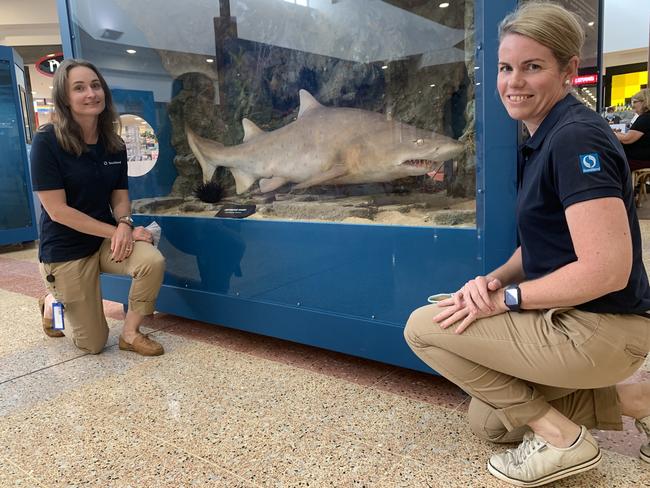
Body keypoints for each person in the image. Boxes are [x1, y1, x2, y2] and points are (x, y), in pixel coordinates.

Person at [404, 3, 650, 487]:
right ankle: (637, 400)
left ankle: (563, 440)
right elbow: (541, 246)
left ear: (568, 71)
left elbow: (606, 271)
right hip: (580, 318)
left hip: (602, 326)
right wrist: (495, 280)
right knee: (492, 422)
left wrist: (508, 301)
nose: (513, 82)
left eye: (532, 67)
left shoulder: (575, 140)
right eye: (505, 67)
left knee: (422, 327)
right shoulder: (542, 136)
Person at [30, 59, 166, 356]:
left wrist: (125, 225)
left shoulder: (113, 143)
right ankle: (53, 304)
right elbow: (58, 211)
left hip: (103, 242)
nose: (91, 93)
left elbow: (119, 196)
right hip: (65, 252)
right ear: (65, 99)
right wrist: (115, 231)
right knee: (91, 344)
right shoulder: (47, 142)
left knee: (151, 261)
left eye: (95, 85)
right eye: (79, 88)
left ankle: (130, 334)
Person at [615, 89, 650, 171]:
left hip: (639, 160)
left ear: (644, 101)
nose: (632, 105)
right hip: (645, 158)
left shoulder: (645, 118)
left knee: (609, 160)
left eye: (635, 102)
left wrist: (612, 134)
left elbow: (627, 140)